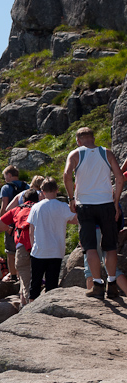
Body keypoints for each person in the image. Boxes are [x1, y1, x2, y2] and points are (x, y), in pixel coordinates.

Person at [64, 127, 124, 300]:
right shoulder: (107, 153)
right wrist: (116, 201)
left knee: (90, 247)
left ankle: (97, 285)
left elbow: (67, 175)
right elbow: (119, 178)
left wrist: (71, 199)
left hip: (85, 206)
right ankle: (112, 284)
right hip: (106, 204)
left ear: (79, 140)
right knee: (110, 246)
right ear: (93, 138)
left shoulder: (75, 154)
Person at [27, 177, 78, 301]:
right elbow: (76, 220)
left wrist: (33, 246)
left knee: (35, 284)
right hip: (56, 251)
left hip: (39, 251)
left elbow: (31, 231)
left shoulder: (36, 207)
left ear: (42, 191)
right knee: (52, 285)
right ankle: (50, 308)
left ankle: (30, 310)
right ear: (57, 190)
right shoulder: (63, 207)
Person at [0, 188, 40, 306]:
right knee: (34, 282)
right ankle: (25, 306)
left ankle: (27, 310)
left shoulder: (17, 209)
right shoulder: (41, 208)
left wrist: (11, 229)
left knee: (25, 282)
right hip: (41, 247)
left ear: (24, 199)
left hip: (22, 247)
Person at [0, 166, 29, 281]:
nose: (5, 178)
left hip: (11, 223)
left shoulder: (6, 188)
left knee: (10, 251)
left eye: (5, 176)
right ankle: (24, 275)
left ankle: (13, 275)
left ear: (9, 175)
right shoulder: (26, 186)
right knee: (24, 248)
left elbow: (4, 207)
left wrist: (2, 222)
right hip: (24, 222)